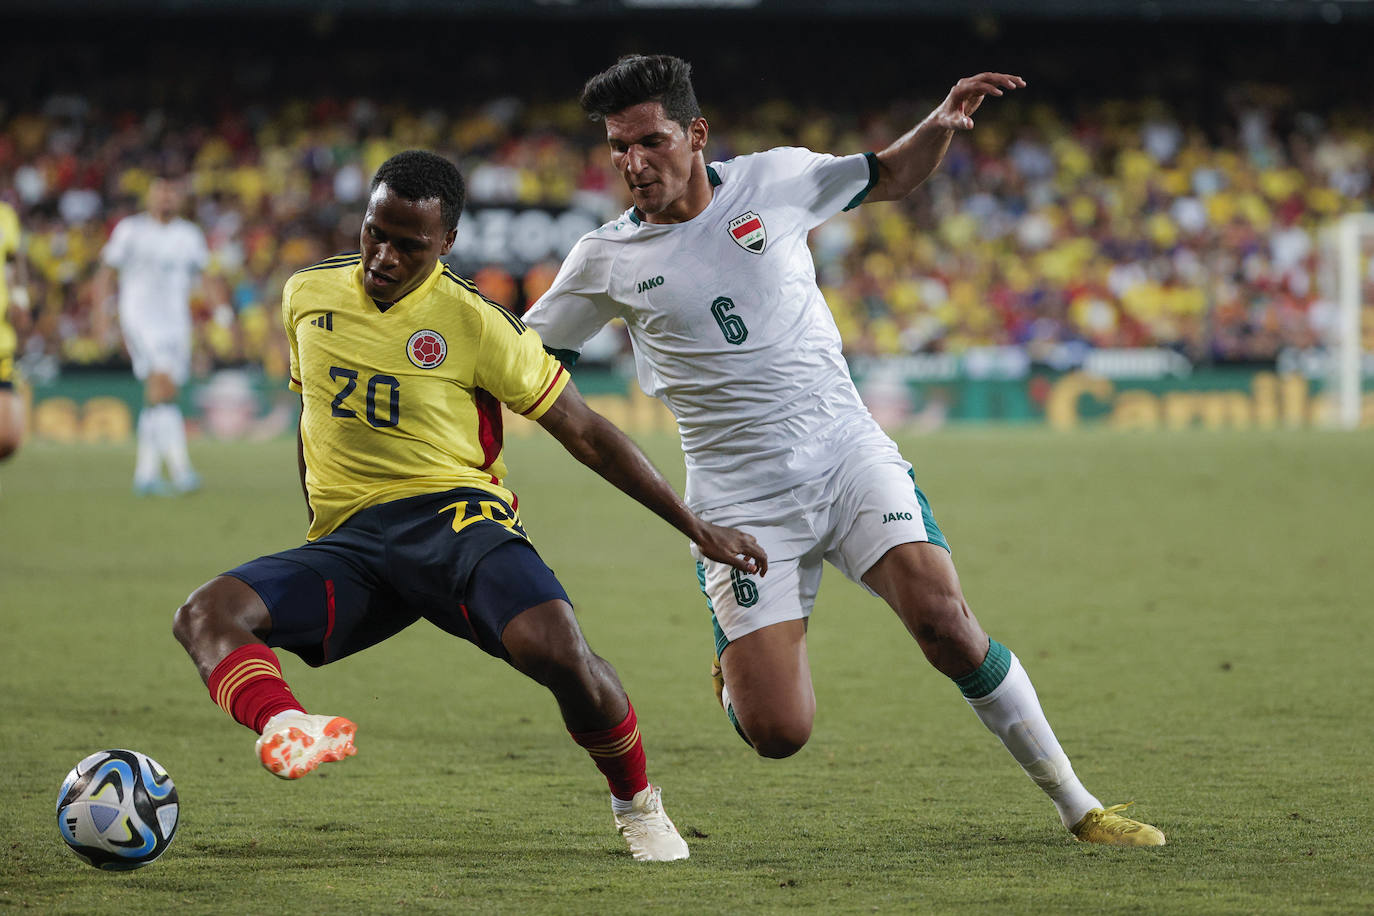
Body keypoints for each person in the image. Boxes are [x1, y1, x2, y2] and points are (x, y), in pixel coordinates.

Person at [523, 55, 1165, 847]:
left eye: (650, 141)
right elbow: (523, 358)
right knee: (778, 733)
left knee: (946, 623)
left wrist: (940, 124)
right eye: (619, 147)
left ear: (695, 134)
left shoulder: (775, 181)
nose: (633, 162)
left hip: (845, 453)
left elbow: (892, 175)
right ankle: (735, 669)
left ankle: (1080, 806)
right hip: (737, 502)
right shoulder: (604, 260)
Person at [171, 150, 767, 863]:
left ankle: (636, 802)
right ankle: (286, 724)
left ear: (447, 243)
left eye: (408, 245)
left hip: (456, 522)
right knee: (204, 614)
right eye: (374, 233)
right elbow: (312, 417)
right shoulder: (307, 294)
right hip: (353, 543)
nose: (383, 257)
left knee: (558, 650)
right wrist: (322, 526)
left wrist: (696, 528)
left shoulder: (479, 324)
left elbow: (588, 434)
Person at [94, 177, 208, 495]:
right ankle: (181, 470)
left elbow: (204, 277)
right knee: (162, 383)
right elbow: (106, 273)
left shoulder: (189, 235)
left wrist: (218, 317)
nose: (165, 199)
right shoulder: (131, 230)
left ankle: (145, 474)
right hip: (141, 319)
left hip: (176, 322)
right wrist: (102, 318)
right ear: (149, 197)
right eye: (160, 193)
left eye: (171, 193)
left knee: (160, 394)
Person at [0, 199, 30, 462]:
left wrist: (19, 298)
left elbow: (13, 260)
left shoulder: (5, 215)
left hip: (1, 339)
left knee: (7, 438)